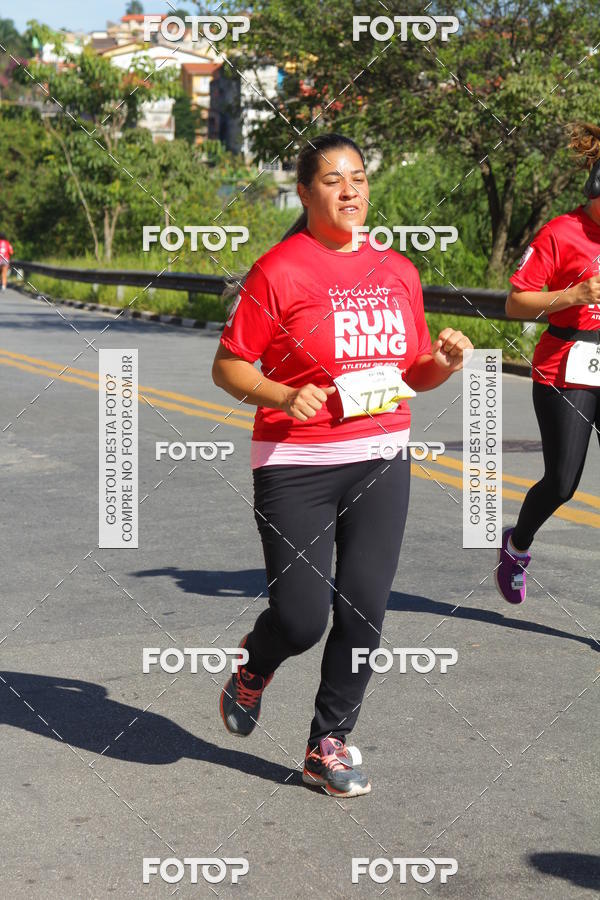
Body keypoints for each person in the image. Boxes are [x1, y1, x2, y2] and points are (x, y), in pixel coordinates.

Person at [212, 133, 472, 797]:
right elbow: (229, 365)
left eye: (358, 177)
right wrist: (279, 393)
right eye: (332, 179)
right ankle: (255, 662)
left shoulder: (397, 271)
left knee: (363, 611)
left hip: (381, 457)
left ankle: (329, 742)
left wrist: (441, 362)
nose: (349, 189)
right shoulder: (280, 270)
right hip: (295, 462)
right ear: (304, 192)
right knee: (301, 619)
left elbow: (412, 372)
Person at [499, 120, 600, 604]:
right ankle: (517, 545)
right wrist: (574, 293)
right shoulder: (563, 232)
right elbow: (516, 303)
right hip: (567, 367)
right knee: (562, 482)